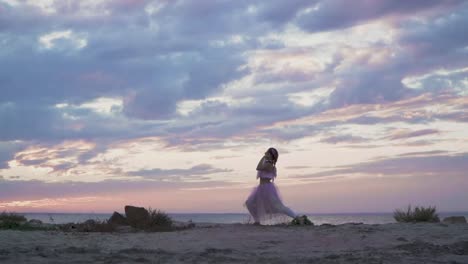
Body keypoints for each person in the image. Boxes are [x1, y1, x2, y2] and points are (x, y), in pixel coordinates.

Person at [245, 147, 310, 225]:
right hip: (261, 188)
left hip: (267, 188)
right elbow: (259, 167)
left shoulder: (269, 165)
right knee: (249, 203)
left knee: (279, 207)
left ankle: (297, 217)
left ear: (271, 156)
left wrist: (264, 156)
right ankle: (257, 221)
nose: (266, 154)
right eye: (267, 152)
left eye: (268, 153)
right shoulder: (266, 162)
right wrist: (265, 157)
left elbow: (258, 167)